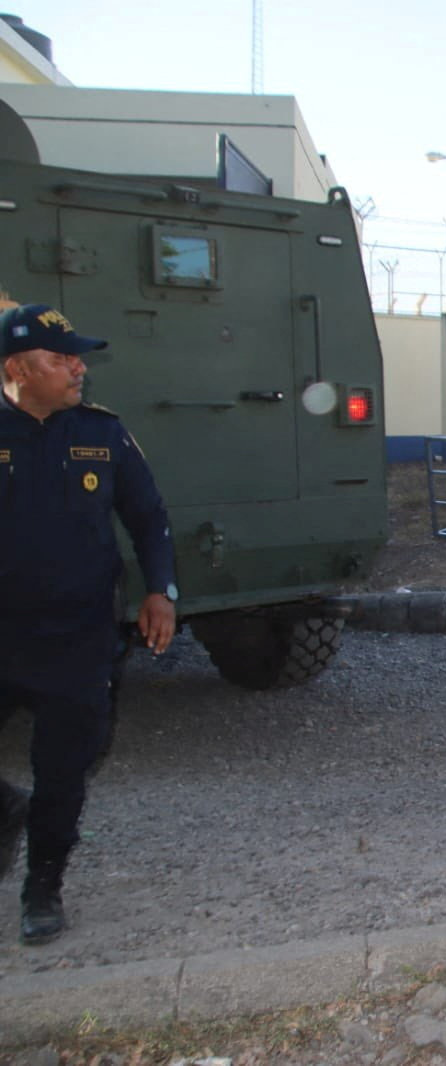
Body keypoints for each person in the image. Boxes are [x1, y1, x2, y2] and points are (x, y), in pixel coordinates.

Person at [0, 303, 177, 945]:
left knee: (65, 769)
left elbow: (148, 516)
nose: (78, 367)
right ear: (17, 369)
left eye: (77, 356)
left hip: (78, 637)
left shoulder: (102, 432)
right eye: (61, 358)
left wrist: (161, 590)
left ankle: (42, 887)